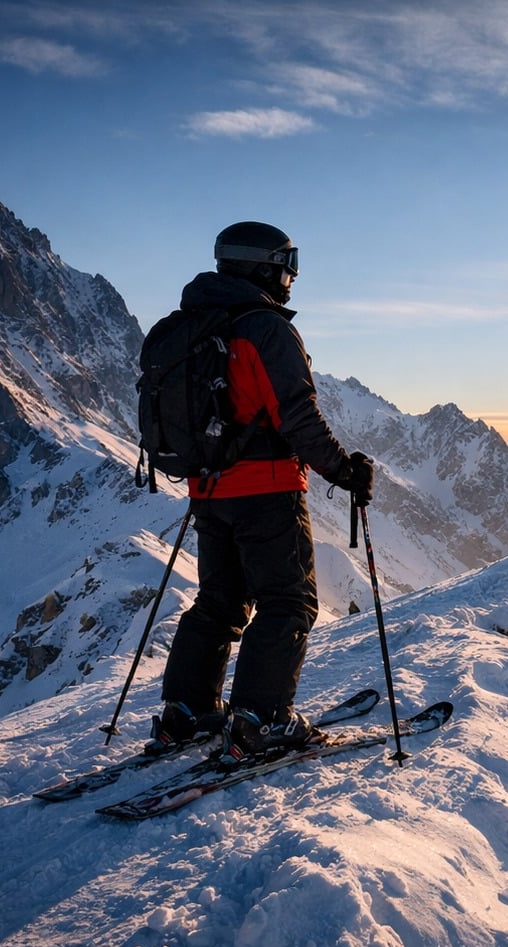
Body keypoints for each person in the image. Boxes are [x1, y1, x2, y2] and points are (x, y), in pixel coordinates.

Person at [151, 220, 373, 761]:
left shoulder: (189, 325)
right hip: (268, 490)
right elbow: (297, 415)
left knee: (219, 601)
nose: (291, 279)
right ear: (262, 266)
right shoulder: (264, 328)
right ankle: (263, 721)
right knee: (287, 602)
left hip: (207, 489)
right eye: (286, 267)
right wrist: (344, 471)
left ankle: (185, 713)